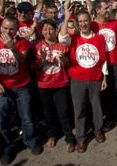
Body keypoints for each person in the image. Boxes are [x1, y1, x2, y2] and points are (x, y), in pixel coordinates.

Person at [0, 16, 43, 165]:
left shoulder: (23, 42)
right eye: (5, 28)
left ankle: (31, 142)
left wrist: (12, 46)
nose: (8, 31)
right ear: (1, 27)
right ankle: (7, 148)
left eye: (12, 28)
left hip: (21, 86)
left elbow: (21, 60)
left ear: (17, 29)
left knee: (26, 117)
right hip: (2, 87)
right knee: (2, 120)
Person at [59, 7, 107, 153]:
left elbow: (103, 59)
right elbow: (61, 38)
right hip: (78, 79)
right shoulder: (73, 38)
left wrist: (105, 77)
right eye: (80, 21)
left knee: (96, 106)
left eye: (86, 20)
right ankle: (80, 138)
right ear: (78, 23)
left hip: (95, 78)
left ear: (90, 21)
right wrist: (66, 18)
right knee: (79, 108)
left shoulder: (99, 38)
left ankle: (98, 130)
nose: (83, 24)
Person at [32, 19, 76, 152]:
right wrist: (42, 60)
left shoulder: (62, 45)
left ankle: (69, 137)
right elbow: (33, 66)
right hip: (43, 85)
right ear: (41, 31)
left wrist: (63, 59)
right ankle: (51, 135)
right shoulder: (36, 46)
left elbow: (68, 64)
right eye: (44, 29)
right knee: (48, 113)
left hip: (60, 84)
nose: (48, 32)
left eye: (50, 29)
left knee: (63, 112)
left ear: (56, 30)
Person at [91, 0, 117, 131]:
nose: (109, 10)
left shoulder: (116, 24)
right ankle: (108, 118)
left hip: (116, 64)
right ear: (98, 10)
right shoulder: (92, 25)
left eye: (109, 7)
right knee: (105, 94)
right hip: (100, 66)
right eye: (105, 8)